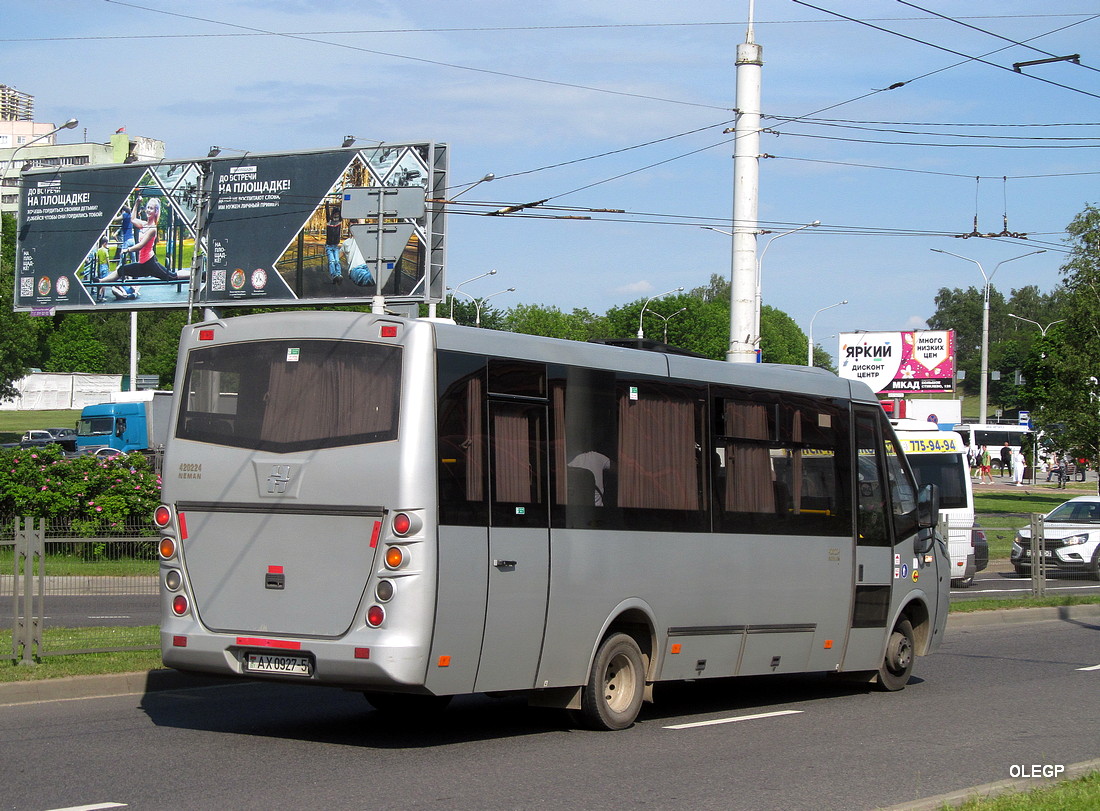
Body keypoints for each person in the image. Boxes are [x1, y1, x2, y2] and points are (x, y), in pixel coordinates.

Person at [101, 198, 186, 283]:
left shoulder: (152, 228)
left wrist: (127, 250)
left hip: (150, 264)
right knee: (121, 270)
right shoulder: (144, 224)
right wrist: (137, 203)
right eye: (148, 207)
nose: (148, 210)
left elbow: (141, 245)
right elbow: (133, 219)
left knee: (172, 276)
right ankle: (100, 281)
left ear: (156, 212)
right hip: (142, 264)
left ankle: (193, 274)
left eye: (151, 208)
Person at [325, 206, 343, 284]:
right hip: (329, 246)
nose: (336, 216)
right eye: (335, 214)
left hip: (335, 246)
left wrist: (342, 203)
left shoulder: (339, 221)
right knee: (332, 261)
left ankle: (338, 274)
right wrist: (327, 205)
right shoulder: (329, 221)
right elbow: (327, 212)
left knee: (337, 261)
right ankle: (334, 276)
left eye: (338, 214)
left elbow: (342, 212)